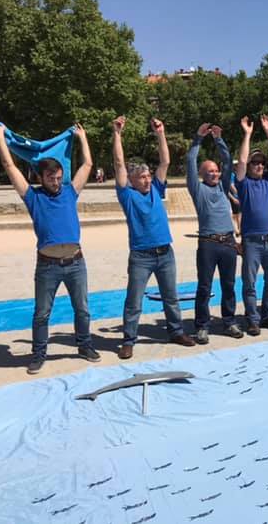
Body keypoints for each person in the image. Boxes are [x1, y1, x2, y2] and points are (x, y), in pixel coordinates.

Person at [0, 121, 100, 374]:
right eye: (51, 178)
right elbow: (9, 166)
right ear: (40, 177)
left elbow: (87, 165)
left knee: (82, 309)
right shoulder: (33, 197)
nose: (56, 181)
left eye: (59, 177)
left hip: (76, 263)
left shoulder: (70, 192)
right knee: (42, 314)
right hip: (47, 266)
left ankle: (84, 346)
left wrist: (82, 137)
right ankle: (39, 354)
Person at [112, 116, 194, 360]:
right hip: (141, 256)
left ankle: (176, 332)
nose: (147, 179)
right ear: (132, 180)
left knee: (171, 297)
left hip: (165, 253)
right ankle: (128, 340)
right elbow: (118, 163)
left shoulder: (157, 190)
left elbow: (165, 161)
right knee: (134, 300)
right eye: (142, 177)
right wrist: (117, 134)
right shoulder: (127, 196)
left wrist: (161, 133)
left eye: (148, 175)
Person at [186, 122, 243, 344]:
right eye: (209, 171)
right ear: (201, 174)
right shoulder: (197, 189)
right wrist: (198, 139)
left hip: (228, 242)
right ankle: (202, 326)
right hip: (208, 243)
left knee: (229, 285)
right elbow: (190, 161)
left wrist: (219, 139)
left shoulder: (222, 186)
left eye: (216, 171)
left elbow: (228, 161)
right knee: (204, 286)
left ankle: (229, 321)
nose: (214, 173)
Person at [235, 115, 268, 335]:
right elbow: (241, 161)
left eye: (261, 163)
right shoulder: (243, 183)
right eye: (255, 163)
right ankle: (252, 319)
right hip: (252, 242)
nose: (259, 166)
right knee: (250, 283)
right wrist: (247, 134)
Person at [228, 160, 241, 236]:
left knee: (238, 214)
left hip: (235, 197)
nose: (237, 166)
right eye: (235, 165)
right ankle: (237, 230)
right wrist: (238, 194)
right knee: (236, 214)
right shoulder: (232, 175)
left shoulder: (237, 174)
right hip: (235, 197)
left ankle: (238, 230)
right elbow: (231, 186)